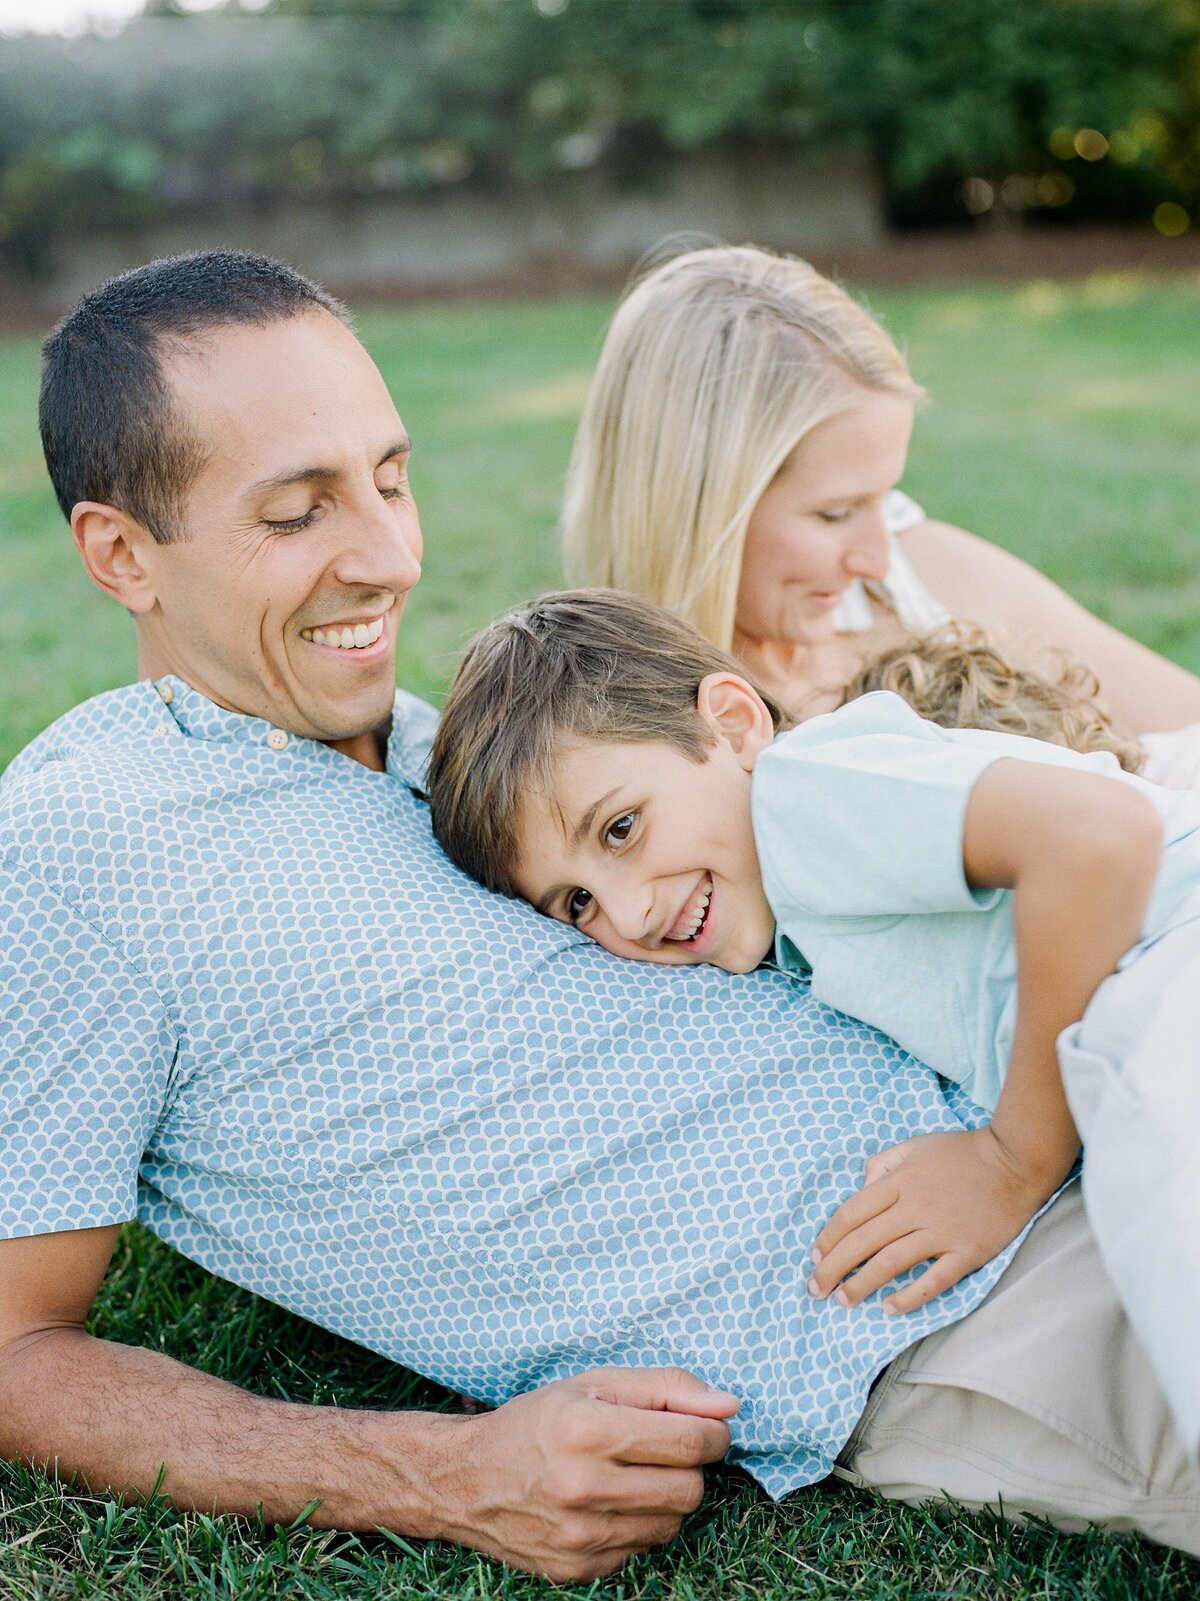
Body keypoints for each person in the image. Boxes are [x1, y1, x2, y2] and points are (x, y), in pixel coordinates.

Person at [2, 253, 1198, 1580]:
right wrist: (444, 1473)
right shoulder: (86, 843)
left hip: (1074, 1083)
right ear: (122, 553)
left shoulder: (459, 756)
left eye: (392, 480)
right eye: (300, 513)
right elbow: (13, 1347)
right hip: (950, 1299)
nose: (392, 556)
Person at [426, 585, 1200, 1468]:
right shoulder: (785, 912)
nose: (630, 913)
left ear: (733, 724)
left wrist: (1012, 1159)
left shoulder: (803, 795)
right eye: (576, 902)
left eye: (622, 827)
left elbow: (1099, 836)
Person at [562, 244, 1200, 775]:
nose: (875, 557)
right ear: (696, 509)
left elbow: (1184, 718)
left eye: (884, 498)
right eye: (836, 513)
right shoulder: (628, 734)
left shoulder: (922, 574)